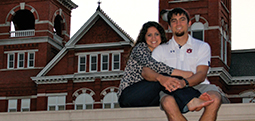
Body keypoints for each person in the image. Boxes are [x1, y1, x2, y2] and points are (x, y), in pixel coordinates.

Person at [142, 8, 229, 121]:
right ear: (169, 26)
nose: (178, 24)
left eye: (182, 20)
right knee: (168, 102)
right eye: (174, 21)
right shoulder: (160, 50)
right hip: (172, 89)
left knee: (214, 99)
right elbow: (146, 71)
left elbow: (201, 73)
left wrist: (184, 83)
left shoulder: (202, 46)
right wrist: (161, 78)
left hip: (198, 85)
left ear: (189, 23)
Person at [117, 21, 214, 114]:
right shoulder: (140, 48)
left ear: (161, 36)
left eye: (157, 34)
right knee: (163, 78)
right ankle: (192, 100)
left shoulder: (161, 52)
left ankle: (188, 102)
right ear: (144, 37)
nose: (153, 38)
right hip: (129, 96)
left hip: (147, 97)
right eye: (149, 35)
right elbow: (155, 66)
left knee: (167, 91)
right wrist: (183, 73)